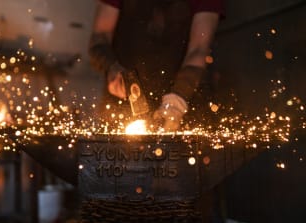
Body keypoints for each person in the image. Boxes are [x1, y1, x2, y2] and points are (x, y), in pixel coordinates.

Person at [89, 0, 224, 131]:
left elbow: (199, 49)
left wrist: (176, 101)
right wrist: (112, 66)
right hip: (122, 99)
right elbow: (100, 36)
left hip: (183, 97)